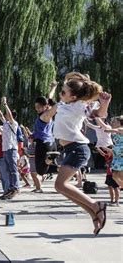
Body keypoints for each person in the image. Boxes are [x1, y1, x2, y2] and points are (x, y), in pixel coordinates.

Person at [47, 72, 111, 236]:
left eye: (63, 92)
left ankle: (97, 206)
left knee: (60, 185)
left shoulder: (80, 106)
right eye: (61, 91)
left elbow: (100, 115)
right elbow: (49, 103)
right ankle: (93, 212)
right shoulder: (63, 104)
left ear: (74, 96)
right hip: (69, 149)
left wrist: (104, 103)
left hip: (79, 148)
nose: (61, 94)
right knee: (60, 187)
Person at [29, 82, 58, 193]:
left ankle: (50, 159)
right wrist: (53, 88)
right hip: (51, 143)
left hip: (44, 143)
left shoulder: (45, 115)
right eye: (36, 107)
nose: (37, 109)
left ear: (45, 106)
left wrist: (61, 101)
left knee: (40, 170)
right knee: (45, 168)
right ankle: (56, 164)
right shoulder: (46, 111)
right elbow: (49, 98)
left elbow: (55, 106)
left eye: (39, 107)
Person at [0, 97, 20, 199]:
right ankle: (10, 189)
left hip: (11, 149)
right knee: (8, 171)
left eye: (7, 115)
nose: (5, 116)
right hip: (5, 149)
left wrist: (5, 104)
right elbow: (0, 115)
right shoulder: (6, 123)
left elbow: (8, 115)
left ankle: (16, 188)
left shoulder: (14, 124)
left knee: (13, 170)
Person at [105, 116, 123, 188]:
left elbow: (107, 130)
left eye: (114, 121)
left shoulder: (121, 129)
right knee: (114, 176)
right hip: (117, 157)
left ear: (119, 122)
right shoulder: (116, 131)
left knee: (120, 175)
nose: (112, 123)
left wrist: (107, 128)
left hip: (121, 157)